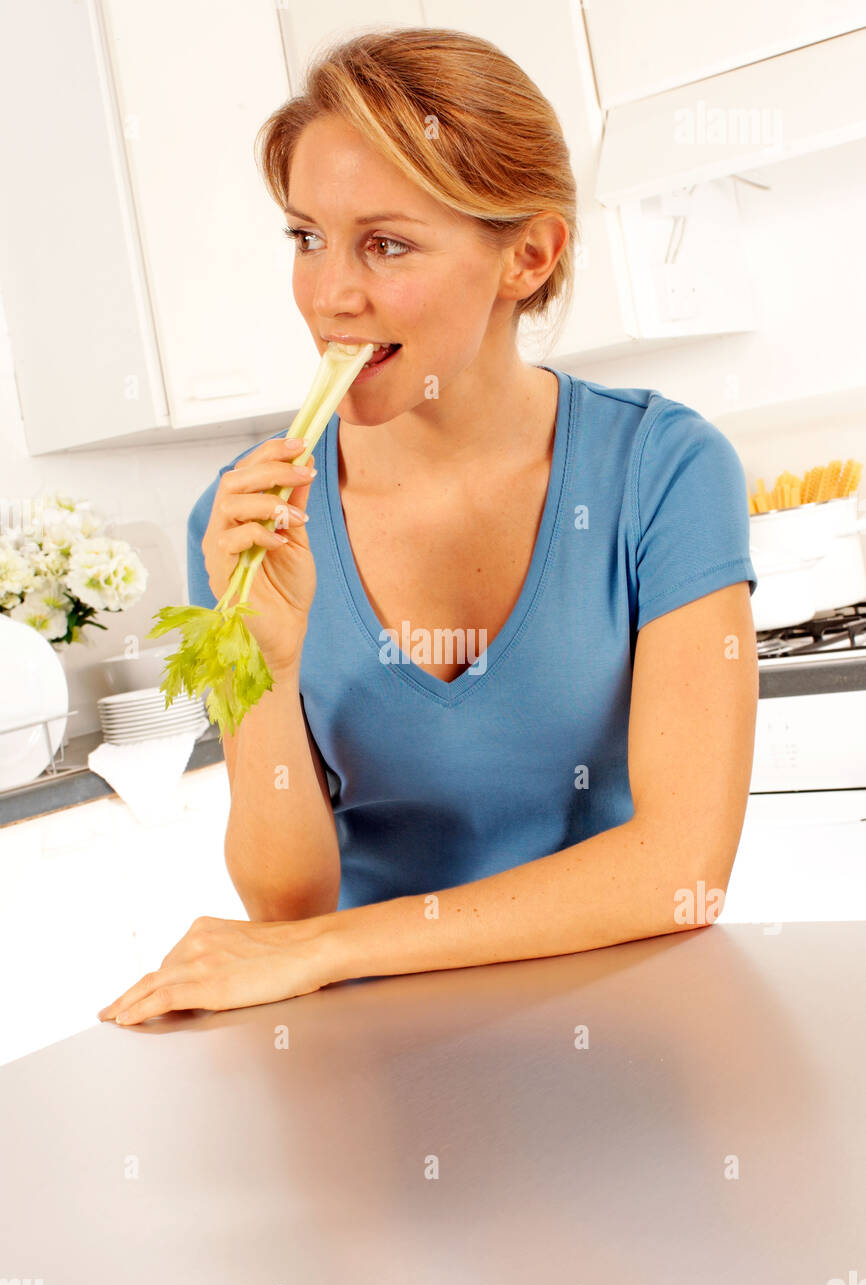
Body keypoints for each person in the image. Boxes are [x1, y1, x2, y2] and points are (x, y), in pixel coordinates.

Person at [99, 28, 758, 1028]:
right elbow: (285, 907)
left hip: (628, 1026)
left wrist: (328, 949)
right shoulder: (245, 523)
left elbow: (679, 868)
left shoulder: (660, 471)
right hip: (374, 1055)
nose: (330, 295)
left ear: (526, 255)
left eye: (386, 243)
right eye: (307, 237)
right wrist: (267, 673)